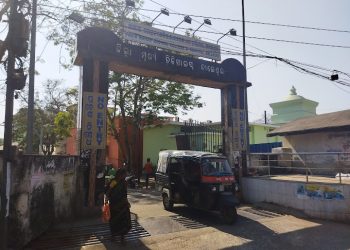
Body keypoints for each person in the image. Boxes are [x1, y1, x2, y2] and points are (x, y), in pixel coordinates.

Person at [105, 168, 131, 244]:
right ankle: (114, 236)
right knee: (115, 221)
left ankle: (121, 238)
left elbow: (124, 194)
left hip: (121, 205)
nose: (125, 175)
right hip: (115, 205)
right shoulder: (114, 182)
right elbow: (108, 191)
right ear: (120, 174)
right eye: (124, 174)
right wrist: (106, 200)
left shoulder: (124, 182)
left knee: (123, 222)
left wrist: (127, 202)